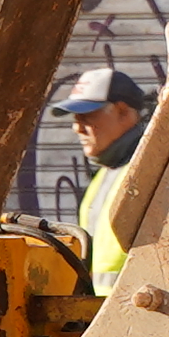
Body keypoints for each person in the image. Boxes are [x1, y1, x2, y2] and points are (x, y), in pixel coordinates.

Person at [54, 61, 158, 281]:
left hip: (140, 309)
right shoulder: (108, 172)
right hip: (109, 310)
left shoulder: (152, 168)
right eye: (75, 119)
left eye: (87, 116)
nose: (77, 127)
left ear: (122, 111)